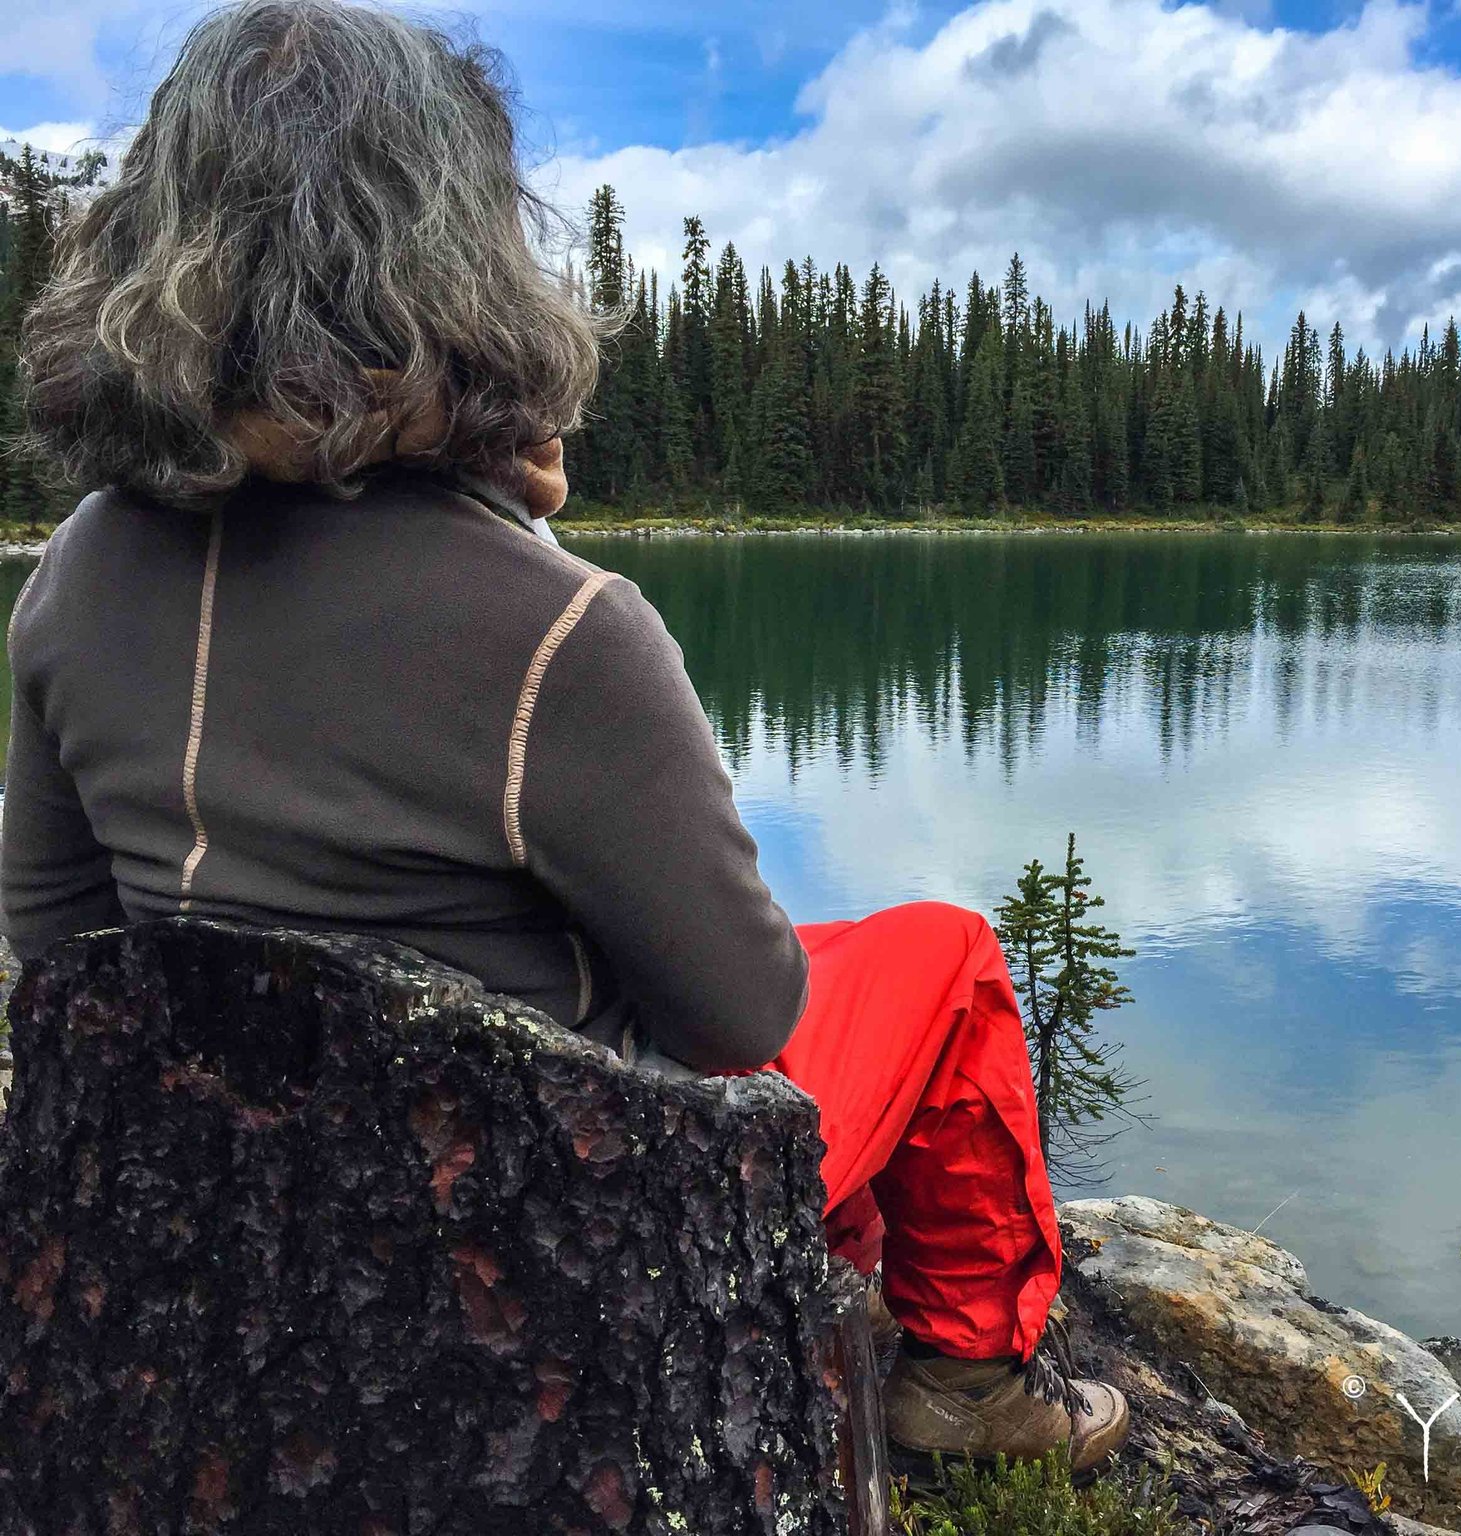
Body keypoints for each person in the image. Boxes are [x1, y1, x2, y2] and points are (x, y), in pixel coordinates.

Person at [2, 0, 1127, 1476]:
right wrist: (506, 528)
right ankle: (967, 1391)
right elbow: (741, 1019)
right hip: (555, 1241)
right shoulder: (561, 633)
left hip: (239, 1237)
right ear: (457, 248)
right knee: (943, 959)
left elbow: (53, 942)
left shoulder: (81, 564)